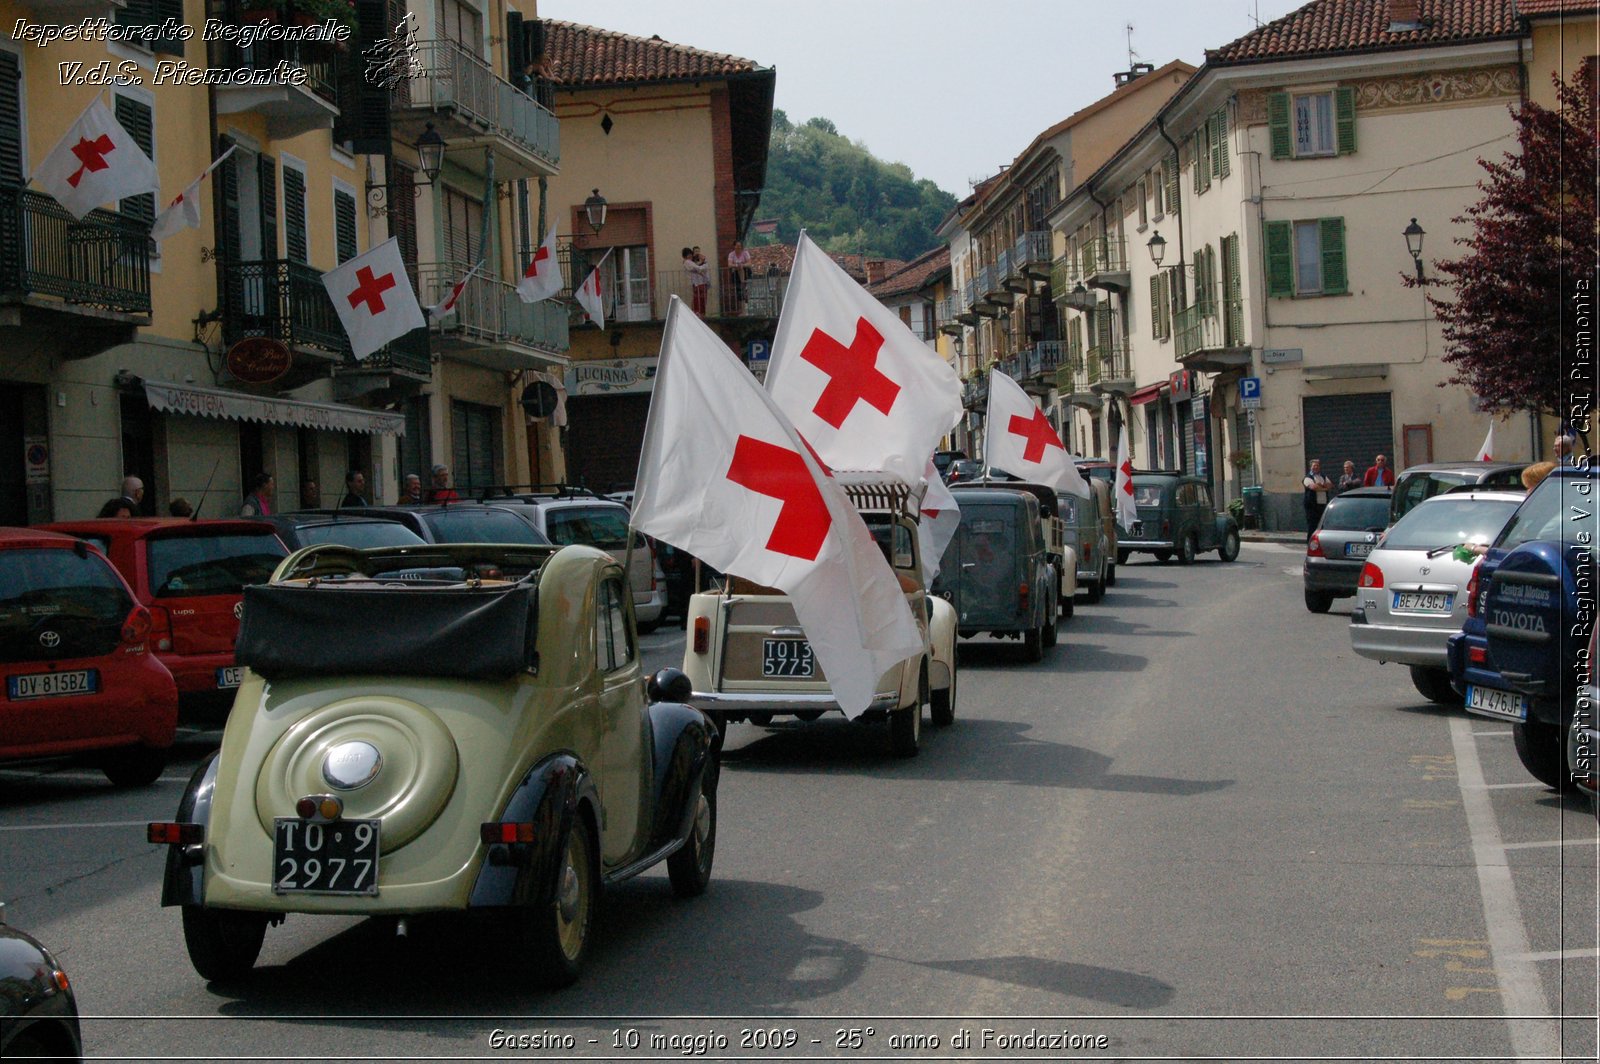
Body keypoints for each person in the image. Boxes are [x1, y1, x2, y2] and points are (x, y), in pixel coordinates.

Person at [1302, 459, 1333, 542]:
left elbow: (1330, 485)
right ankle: (1310, 542)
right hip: (1312, 506)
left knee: (1321, 525)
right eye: (1314, 466)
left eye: (1317, 465)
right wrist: (1323, 487)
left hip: (1322, 504)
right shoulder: (1307, 477)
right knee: (1312, 526)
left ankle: (1319, 542)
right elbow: (1313, 487)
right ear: (1311, 467)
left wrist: (1320, 486)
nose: (1316, 467)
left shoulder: (1323, 476)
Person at [727, 240, 752, 314]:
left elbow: (749, 263)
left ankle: (745, 309)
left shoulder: (745, 253)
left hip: (746, 273)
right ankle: (742, 310)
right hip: (736, 274)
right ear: (734, 246)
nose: (738, 248)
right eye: (737, 246)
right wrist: (736, 265)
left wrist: (742, 265)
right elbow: (729, 264)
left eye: (740, 246)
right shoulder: (731, 254)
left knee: (744, 292)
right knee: (739, 292)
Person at [687, 245, 710, 316]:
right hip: (696, 283)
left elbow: (705, 267)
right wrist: (700, 266)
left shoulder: (704, 260)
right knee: (696, 299)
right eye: (696, 251)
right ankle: (696, 313)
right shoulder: (691, 261)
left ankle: (703, 313)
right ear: (693, 253)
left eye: (698, 251)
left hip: (703, 282)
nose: (697, 253)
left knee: (703, 299)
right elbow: (696, 268)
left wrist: (702, 263)